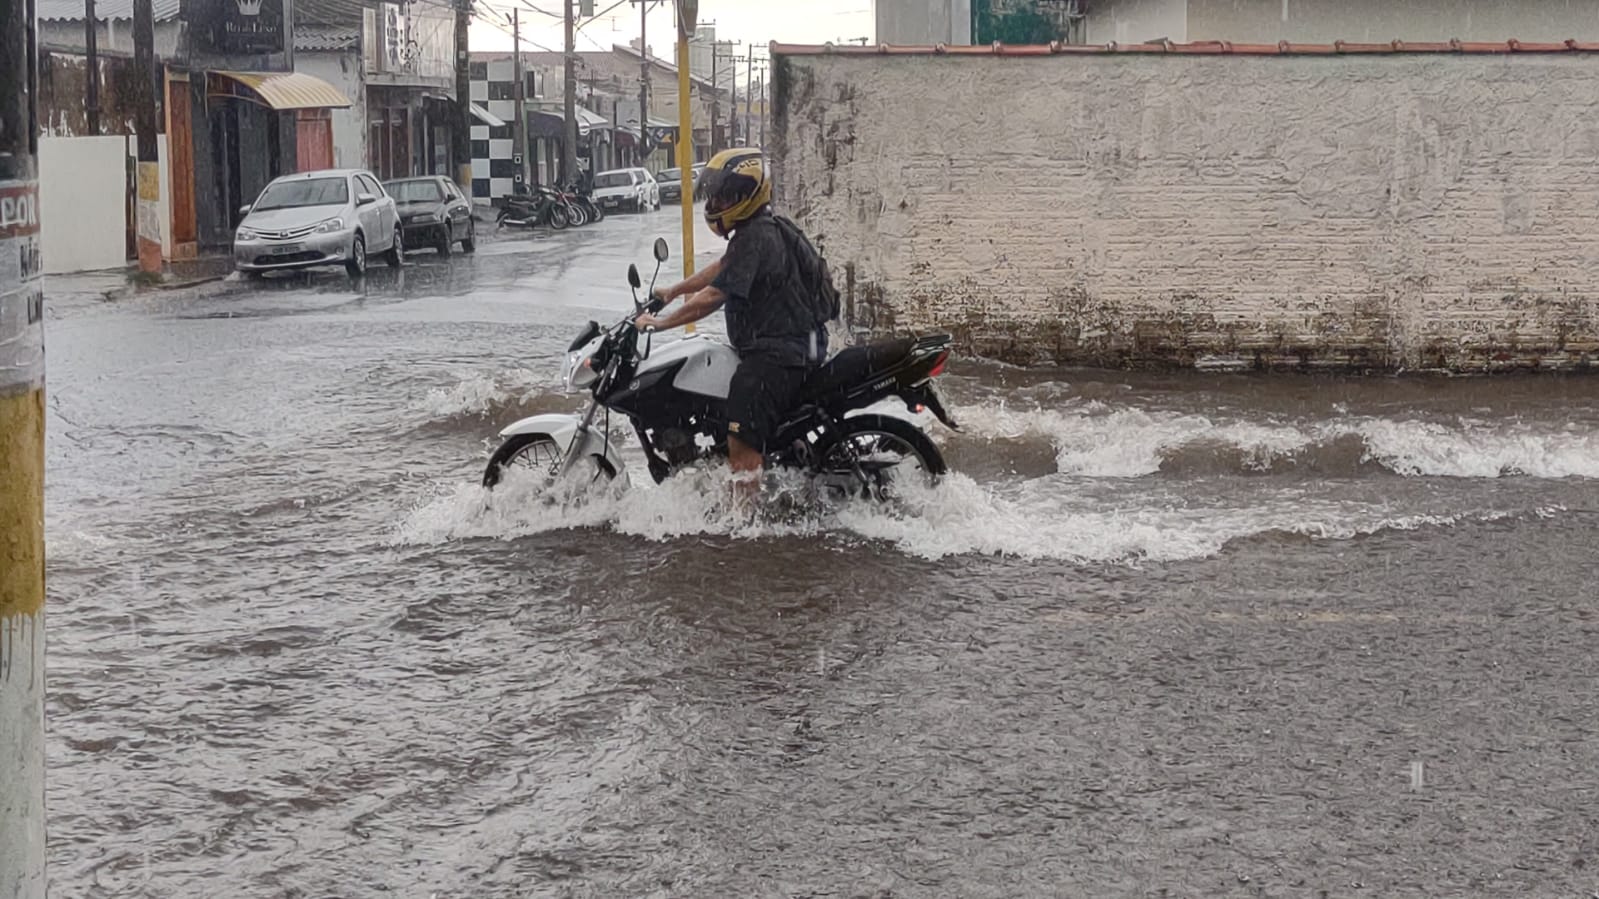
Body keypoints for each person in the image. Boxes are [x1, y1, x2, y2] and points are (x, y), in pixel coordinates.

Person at [636, 148, 829, 494]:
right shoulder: (759, 230)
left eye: (724, 195)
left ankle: (744, 524)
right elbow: (724, 268)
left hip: (781, 354)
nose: (716, 202)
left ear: (747, 194)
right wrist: (673, 290)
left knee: (739, 435)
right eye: (715, 195)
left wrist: (660, 324)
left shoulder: (756, 237)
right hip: (798, 344)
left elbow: (713, 297)